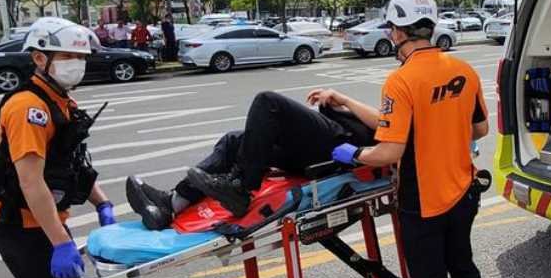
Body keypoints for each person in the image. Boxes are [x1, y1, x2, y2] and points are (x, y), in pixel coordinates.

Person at [314, 0, 493, 278]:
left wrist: (353, 154)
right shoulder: (462, 69)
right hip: (463, 192)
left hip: (423, 203)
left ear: (398, 32)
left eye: (391, 29)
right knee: (464, 269)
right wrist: (345, 101)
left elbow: (389, 149)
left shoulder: (401, 80)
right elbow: (479, 128)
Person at [0, 17, 115, 278]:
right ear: (40, 59)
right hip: (22, 227)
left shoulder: (61, 100)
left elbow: (71, 164)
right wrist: (60, 242)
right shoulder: (28, 108)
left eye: (81, 57)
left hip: (43, 224)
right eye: (68, 56)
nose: (77, 64)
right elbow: (31, 182)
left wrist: (102, 204)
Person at [126, 91, 375, 230]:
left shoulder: (399, 77)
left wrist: (345, 100)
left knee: (268, 102)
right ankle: (172, 205)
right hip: (334, 139)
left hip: (345, 145)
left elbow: (386, 124)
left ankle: (241, 188)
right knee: (235, 140)